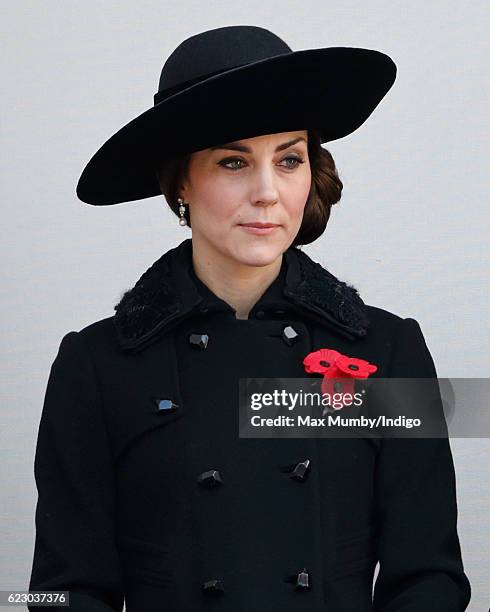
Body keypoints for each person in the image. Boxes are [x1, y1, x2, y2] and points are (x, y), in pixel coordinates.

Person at [28, 25, 471, 611]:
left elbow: (431, 578)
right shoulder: (95, 366)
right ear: (180, 181)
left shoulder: (390, 352)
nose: (268, 192)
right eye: (233, 161)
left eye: (289, 159)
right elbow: (59, 593)